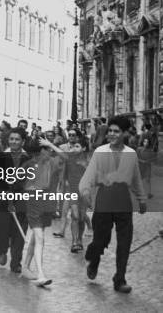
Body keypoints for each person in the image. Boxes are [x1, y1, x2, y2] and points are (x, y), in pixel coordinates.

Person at [80, 116, 147, 293]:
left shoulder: (131, 154)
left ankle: (120, 279)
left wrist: (141, 199)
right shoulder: (100, 152)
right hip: (104, 199)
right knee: (100, 240)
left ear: (125, 133)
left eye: (116, 131)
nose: (111, 134)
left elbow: (136, 179)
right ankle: (93, 259)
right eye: (110, 130)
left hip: (123, 200)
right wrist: (85, 191)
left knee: (124, 242)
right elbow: (90, 174)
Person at [21, 137, 65, 287]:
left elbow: (67, 157)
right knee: (39, 238)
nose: (50, 151)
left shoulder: (52, 163)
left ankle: (25, 266)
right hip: (34, 205)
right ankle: (41, 274)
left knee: (36, 237)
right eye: (46, 149)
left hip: (48, 205)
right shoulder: (29, 165)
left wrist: (50, 144)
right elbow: (18, 183)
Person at [0, 127, 30, 273]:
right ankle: (3, 249)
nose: (14, 142)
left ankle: (16, 262)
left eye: (17, 139)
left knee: (19, 232)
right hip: (3, 200)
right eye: (11, 139)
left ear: (23, 141)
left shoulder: (28, 159)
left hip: (21, 200)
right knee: (3, 230)